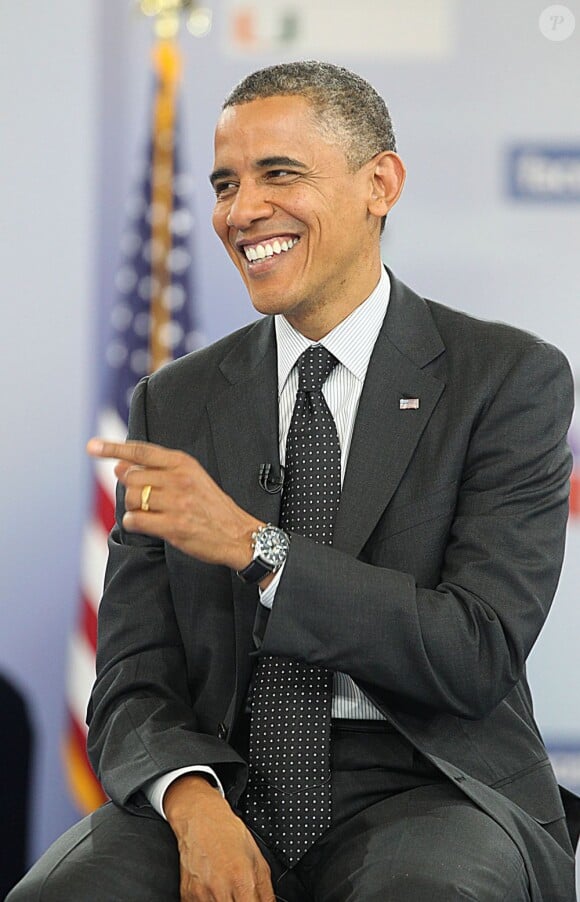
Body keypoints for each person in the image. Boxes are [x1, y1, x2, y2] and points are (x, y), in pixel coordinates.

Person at [8, 60, 578, 902]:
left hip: (430, 785)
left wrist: (254, 547)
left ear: (379, 183)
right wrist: (191, 802)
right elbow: (133, 675)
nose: (242, 212)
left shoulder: (505, 378)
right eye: (227, 183)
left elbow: (476, 651)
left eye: (279, 174)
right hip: (219, 783)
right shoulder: (174, 401)